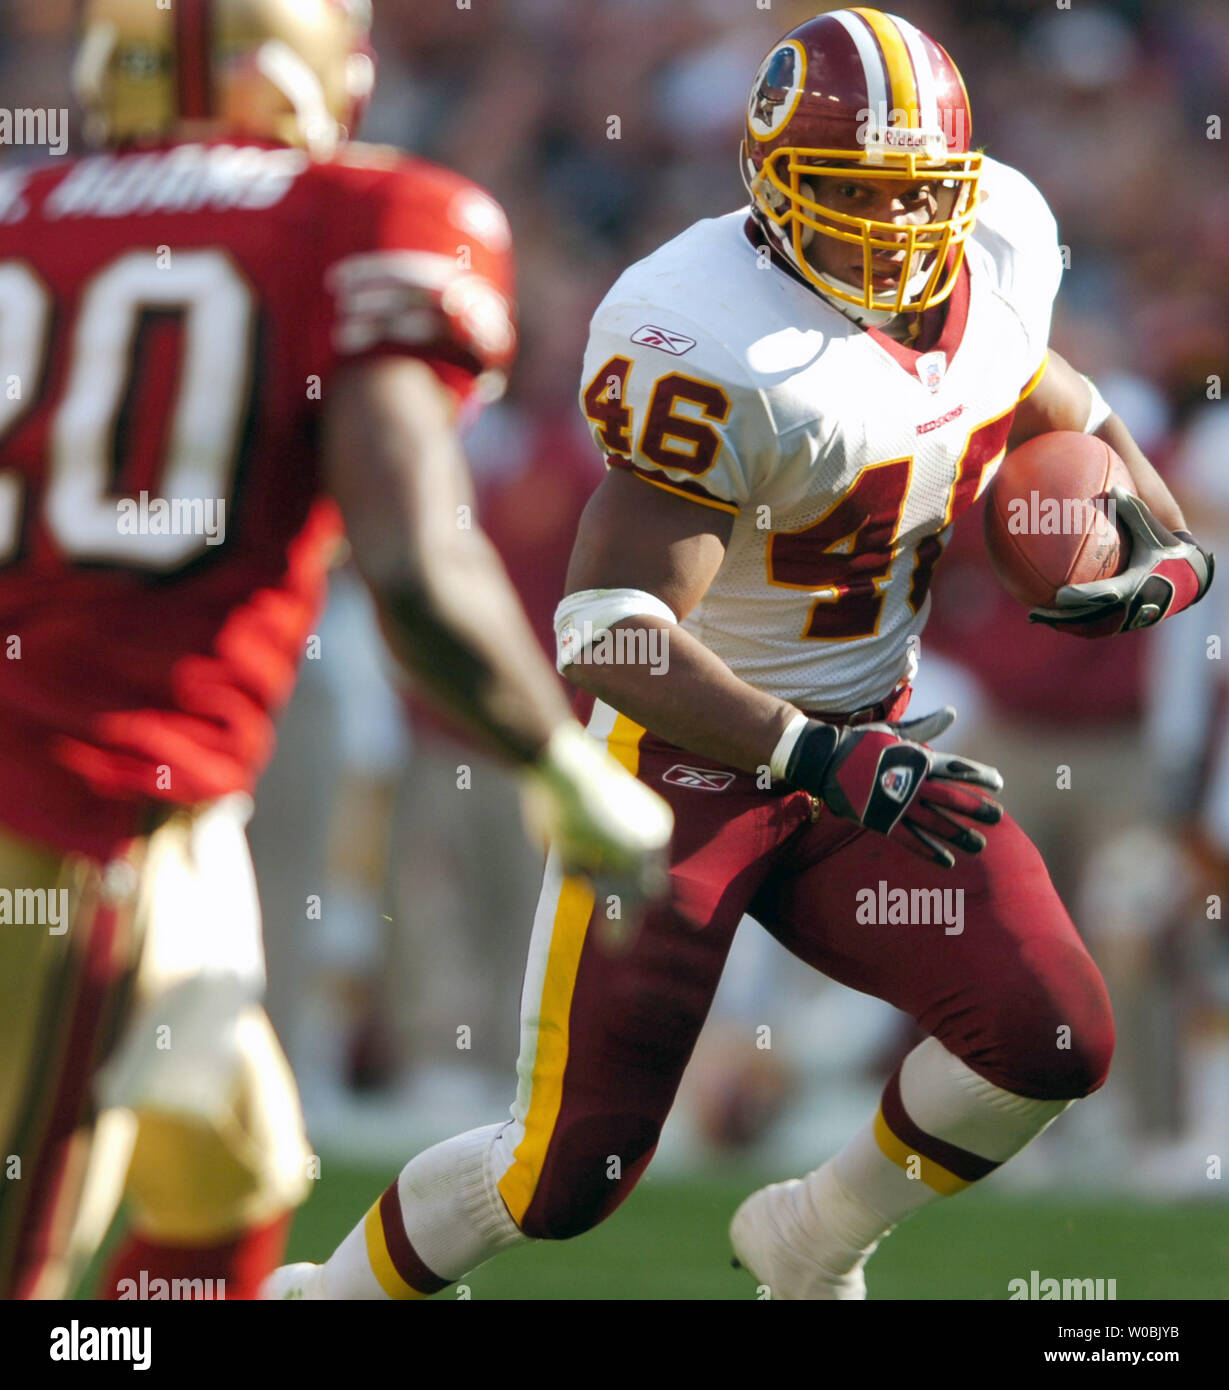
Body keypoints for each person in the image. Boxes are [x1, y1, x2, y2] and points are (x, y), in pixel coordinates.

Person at [265, 7, 1211, 1301]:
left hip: (871, 746)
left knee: (1049, 1034)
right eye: (848, 192)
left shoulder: (992, 242)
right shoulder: (716, 339)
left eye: (914, 194)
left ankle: (812, 1236)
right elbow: (605, 630)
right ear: (771, 182)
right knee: (563, 1174)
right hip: (687, 766)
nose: (890, 228)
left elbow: (1053, 393)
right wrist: (807, 751)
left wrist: (1163, 542)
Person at [0, 0, 669, 1300]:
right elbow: (415, 561)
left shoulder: (24, 212)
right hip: (79, 807)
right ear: (299, 72)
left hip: (146, 803)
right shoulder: (356, 214)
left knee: (232, 1167)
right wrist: (560, 764)